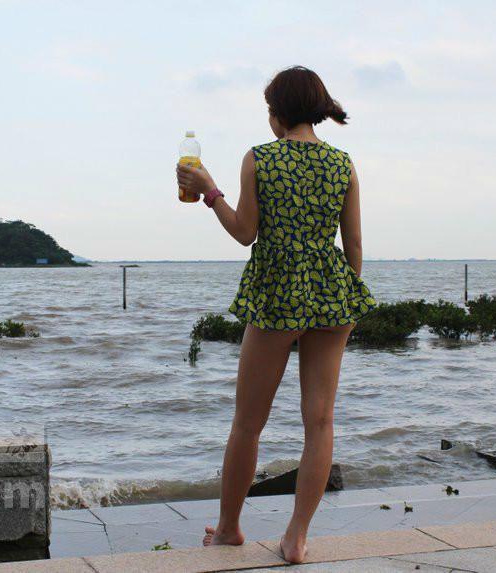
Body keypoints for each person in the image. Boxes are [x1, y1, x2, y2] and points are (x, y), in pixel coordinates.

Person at [175, 65, 375, 564]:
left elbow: (245, 232)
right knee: (320, 422)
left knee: (248, 423)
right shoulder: (343, 164)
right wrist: (347, 298)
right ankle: (296, 538)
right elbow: (353, 245)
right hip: (332, 293)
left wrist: (209, 190)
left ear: (279, 112)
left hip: (275, 294)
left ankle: (229, 529)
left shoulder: (260, 158)